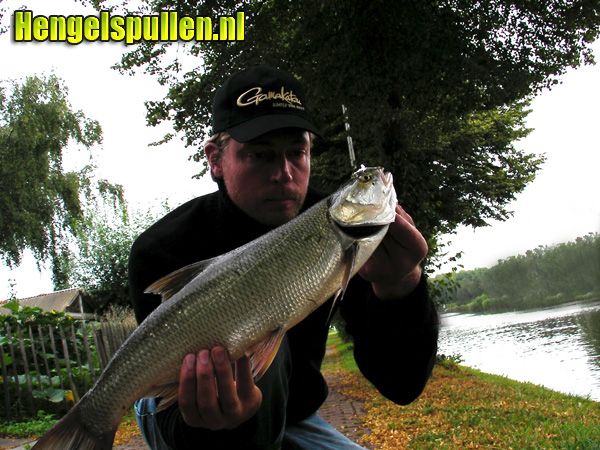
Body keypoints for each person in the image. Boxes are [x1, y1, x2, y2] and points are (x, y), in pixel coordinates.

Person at [128, 65, 439, 450]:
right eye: (261, 155)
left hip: (294, 416)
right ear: (215, 159)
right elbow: (172, 407)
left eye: (297, 152)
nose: (284, 173)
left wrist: (400, 287)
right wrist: (226, 424)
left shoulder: (339, 228)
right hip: (183, 422)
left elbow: (402, 385)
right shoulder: (163, 247)